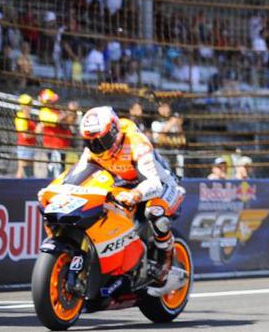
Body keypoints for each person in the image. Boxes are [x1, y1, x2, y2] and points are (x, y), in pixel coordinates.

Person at [74, 106, 185, 280]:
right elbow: (77, 175)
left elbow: (154, 183)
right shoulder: (93, 149)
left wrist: (136, 194)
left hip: (162, 185)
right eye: (90, 142)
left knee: (155, 212)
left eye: (101, 140)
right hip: (127, 184)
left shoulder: (136, 143)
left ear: (113, 131)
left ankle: (166, 258)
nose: (96, 147)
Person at [13, 94, 37, 178]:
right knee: (22, 170)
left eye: (30, 105)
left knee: (27, 171)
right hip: (24, 146)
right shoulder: (21, 117)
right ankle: (15, 189)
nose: (29, 107)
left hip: (29, 146)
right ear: (22, 106)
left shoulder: (27, 117)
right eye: (27, 105)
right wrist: (37, 131)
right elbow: (25, 135)